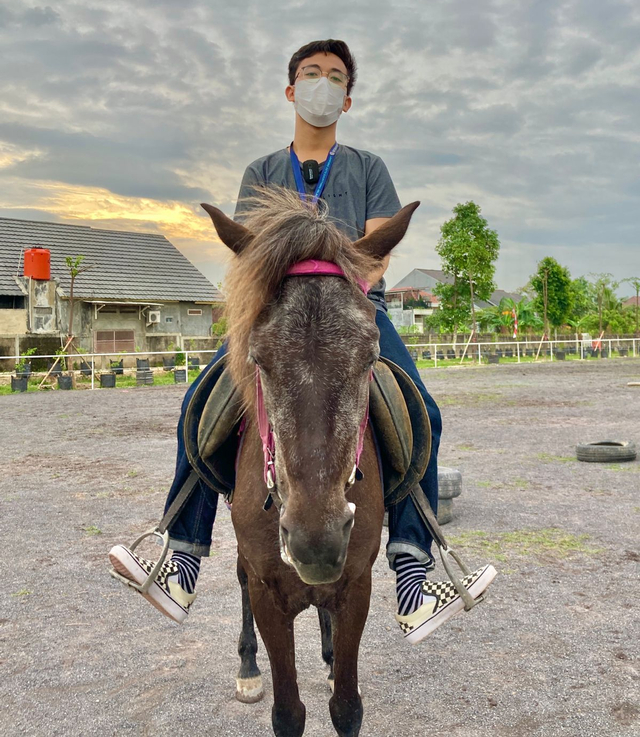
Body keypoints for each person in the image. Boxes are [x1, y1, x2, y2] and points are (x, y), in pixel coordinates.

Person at [109, 39, 496, 643]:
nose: (323, 83)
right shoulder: (261, 172)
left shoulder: (368, 169)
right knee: (198, 402)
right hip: (277, 312)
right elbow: (251, 257)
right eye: (311, 74)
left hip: (351, 308)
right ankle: (180, 549)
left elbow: (374, 251)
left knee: (425, 412)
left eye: (336, 76)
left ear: (348, 98)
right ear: (291, 90)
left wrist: (335, 275)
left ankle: (415, 568)